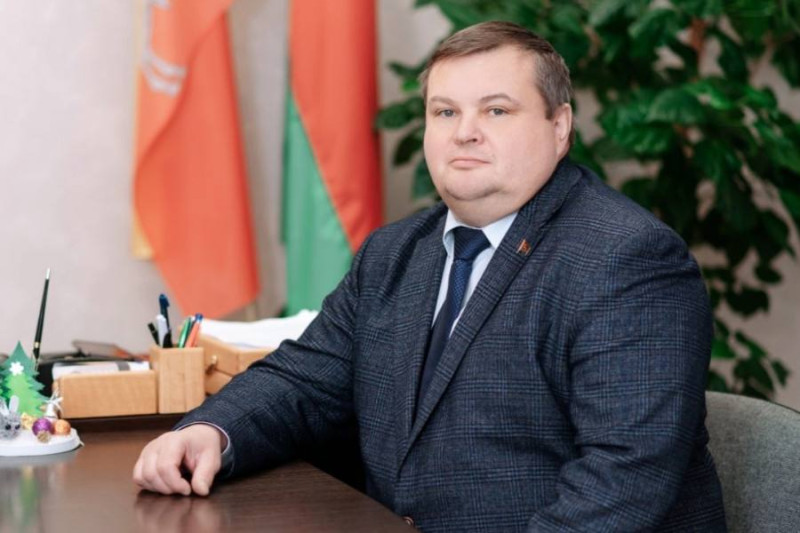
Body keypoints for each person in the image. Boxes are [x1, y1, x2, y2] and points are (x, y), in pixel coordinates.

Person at [134, 21, 727, 532]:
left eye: (496, 110)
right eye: (445, 112)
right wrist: (210, 431)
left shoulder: (627, 259)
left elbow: (622, 483)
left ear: (560, 126)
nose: (464, 131)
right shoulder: (394, 252)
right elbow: (306, 380)